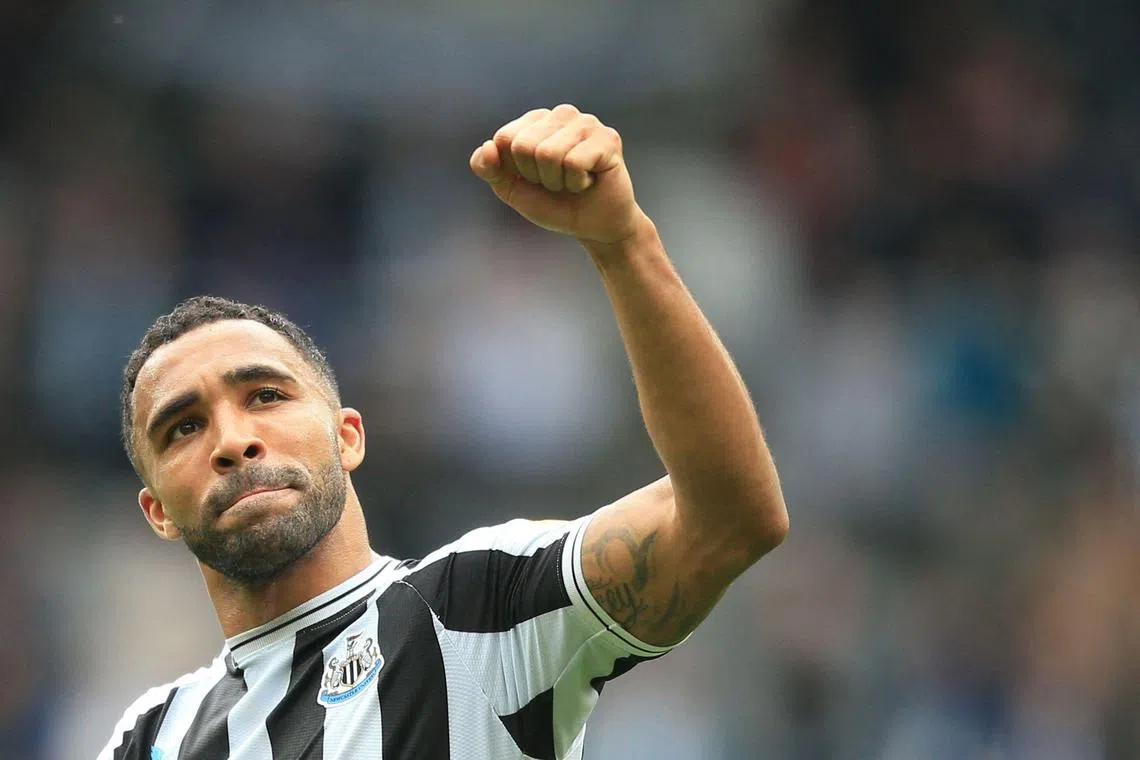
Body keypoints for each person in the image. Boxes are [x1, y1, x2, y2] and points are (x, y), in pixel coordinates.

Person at [98, 104, 789, 760]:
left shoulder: (476, 606)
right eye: (183, 427)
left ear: (349, 437)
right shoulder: (156, 736)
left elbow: (729, 519)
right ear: (157, 511)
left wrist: (624, 243)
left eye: (267, 395)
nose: (232, 440)